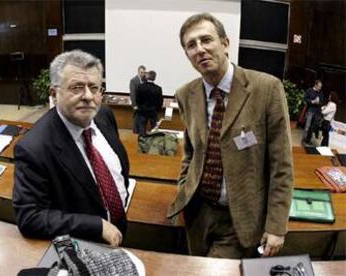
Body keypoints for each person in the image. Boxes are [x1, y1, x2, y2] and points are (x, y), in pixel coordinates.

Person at [167, 13, 293, 259]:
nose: (200, 49)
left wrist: (276, 225)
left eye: (206, 40)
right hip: (197, 214)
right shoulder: (186, 94)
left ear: (225, 43)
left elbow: (282, 166)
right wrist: (184, 186)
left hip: (241, 219)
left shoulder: (266, 89)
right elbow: (191, 152)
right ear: (187, 55)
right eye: (191, 45)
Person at [13, 50, 130, 247]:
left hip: (119, 228)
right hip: (84, 244)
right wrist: (95, 225)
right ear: (54, 94)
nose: (88, 96)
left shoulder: (104, 115)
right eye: (76, 87)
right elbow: (30, 217)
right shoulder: (34, 148)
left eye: (94, 87)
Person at [135, 70, 164, 135]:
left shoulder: (141, 86)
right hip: (153, 111)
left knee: (142, 130)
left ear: (147, 77)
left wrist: (140, 107)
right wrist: (157, 110)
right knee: (154, 129)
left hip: (142, 111)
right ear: (155, 78)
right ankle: (153, 143)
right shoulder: (158, 88)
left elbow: (137, 99)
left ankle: (142, 141)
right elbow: (160, 102)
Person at [303, 80, 324, 144]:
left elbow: (322, 101)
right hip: (310, 111)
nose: (320, 88)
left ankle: (308, 140)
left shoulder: (320, 93)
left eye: (320, 87)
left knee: (313, 127)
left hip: (317, 112)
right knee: (307, 125)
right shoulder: (309, 90)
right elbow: (305, 99)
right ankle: (304, 139)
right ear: (315, 85)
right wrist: (312, 101)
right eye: (319, 86)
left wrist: (319, 103)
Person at [130, 65, 147, 133]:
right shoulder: (133, 80)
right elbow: (132, 93)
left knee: (143, 121)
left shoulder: (145, 80)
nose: (143, 74)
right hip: (137, 104)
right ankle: (136, 134)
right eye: (141, 72)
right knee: (137, 121)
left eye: (144, 72)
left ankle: (142, 134)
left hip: (144, 105)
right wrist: (134, 105)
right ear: (138, 72)